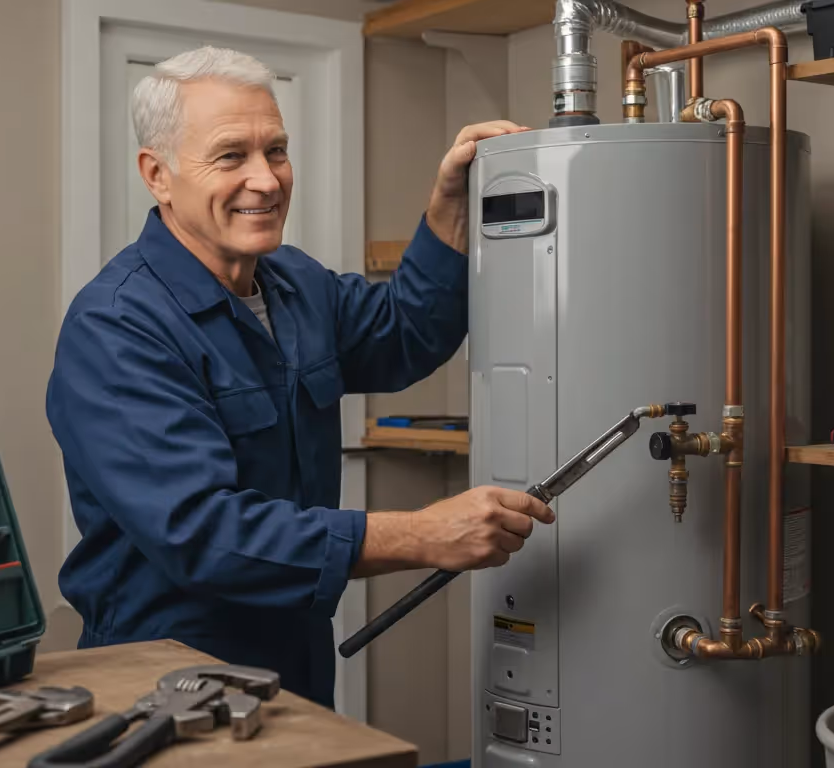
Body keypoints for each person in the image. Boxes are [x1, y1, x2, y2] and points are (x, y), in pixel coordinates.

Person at [46, 46, 553, 708]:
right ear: (158, 175)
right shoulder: (116, 327)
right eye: (231, 156)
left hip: (295, 660)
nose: (266, 179)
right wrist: (423, 534)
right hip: (167, 676)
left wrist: (448, 206)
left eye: (276, 151)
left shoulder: (295, 284)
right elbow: (204, 532)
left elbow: (406, 334)